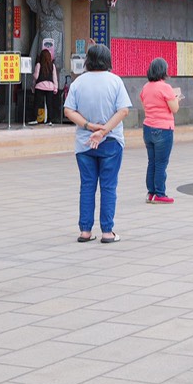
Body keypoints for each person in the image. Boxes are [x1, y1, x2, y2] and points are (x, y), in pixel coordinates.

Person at [63, 44, 131, 243]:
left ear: (88, 60)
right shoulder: (115, 81)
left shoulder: (78, 83)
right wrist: (104, 131)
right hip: (111, 142)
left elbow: (68, 111)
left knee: (87, 186)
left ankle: (85, 231)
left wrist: (89, 126)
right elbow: (123, 110)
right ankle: (107, 232)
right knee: (109, 186)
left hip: (84, 143)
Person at [140, 58, 181, 204]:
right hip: (163, 129)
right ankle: (159, 193)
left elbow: (145, 104)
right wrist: (176, 99)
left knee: (152, 162)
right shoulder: (165, 87)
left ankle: (150, 193)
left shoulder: (146, 87)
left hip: (148, 128)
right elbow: (174, 108)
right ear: (163, 71)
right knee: (161, 163)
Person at [31, 48, 61, 126]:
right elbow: (55, 77)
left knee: (37, 103)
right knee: (49, 104)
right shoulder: (52, 66)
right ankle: (49, 120)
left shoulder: (38, 64)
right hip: (50, 87)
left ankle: (35, 119)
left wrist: (33, 86)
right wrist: (56, 87)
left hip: (40, 86)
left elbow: (36, 76)